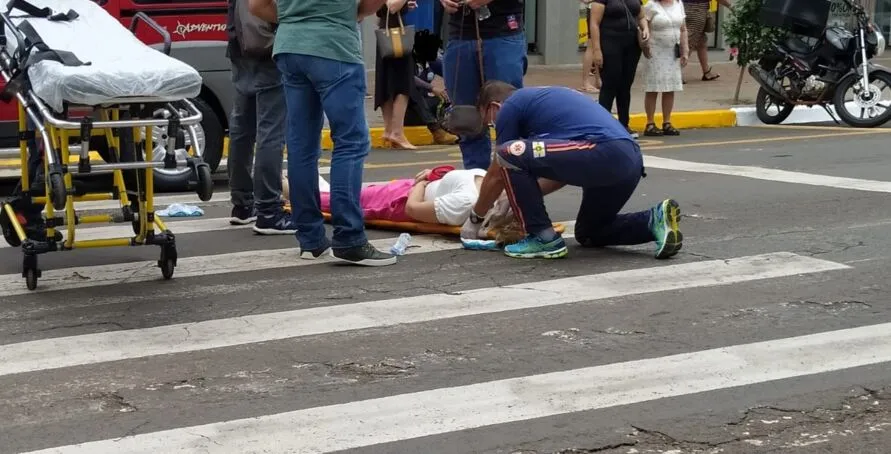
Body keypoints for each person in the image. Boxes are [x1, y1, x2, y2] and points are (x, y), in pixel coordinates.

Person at [460, 81, 683, 260]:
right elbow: (562, 171)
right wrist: (513, 197)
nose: (494, 127)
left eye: (489, 122)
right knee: (590, 232)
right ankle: (653, 220)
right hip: (627, 160)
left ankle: (542, 237)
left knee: (510, 152)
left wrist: (475, 218)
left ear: (493, 107)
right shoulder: (543, 106)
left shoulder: (511, 105)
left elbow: (500, 164)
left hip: (604, 150)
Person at [249, 0, 397, 266]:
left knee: (301, 145)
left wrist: (296, 19)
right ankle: (349, 238)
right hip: (334, 45)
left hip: (290, 46)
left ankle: (310, 239)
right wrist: (348, 14)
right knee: (350, 142)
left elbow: (257, 6)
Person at [225, 0, 295, 234]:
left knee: (242, 130)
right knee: (271, 132)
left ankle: (243, 204)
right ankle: (269, 210)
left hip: (242, 49)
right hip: (269, 52)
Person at [439, 0, 528, 170]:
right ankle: (477, 183)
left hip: (503, 32)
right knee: (466, 118)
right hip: (460, 33)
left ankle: (513, 181)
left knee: (509, 113)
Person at [588, 0, 649, 138]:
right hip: (610, 42)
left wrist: (645, 28)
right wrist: (597, 50)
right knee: (610, 84)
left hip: (632, 45)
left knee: (625, 85)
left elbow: (641, 16)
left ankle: (624, 124)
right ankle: (603, 126)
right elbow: (594, 23)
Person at [375, 0, 420, 150]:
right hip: (397, 38)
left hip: (386, 35)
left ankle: (389, 130)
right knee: (404, 86)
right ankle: (397, 132)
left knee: (386, 84)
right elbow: (392, 6)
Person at [641, 0, 688, 137]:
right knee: (653, 87)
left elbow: (683, 29)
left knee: (670, 86)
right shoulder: (651, 5)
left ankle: (667, 122)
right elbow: (645, 26)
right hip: (655, 50)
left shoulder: (678, 4)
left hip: (672, 51)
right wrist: (646, 45)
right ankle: (650, 123)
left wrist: (685, 50)